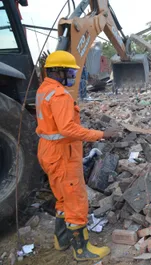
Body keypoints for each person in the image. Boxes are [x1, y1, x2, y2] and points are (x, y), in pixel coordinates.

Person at [35, 51, 118, 261]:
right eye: (71, 71)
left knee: (62, 198)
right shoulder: (60, 95)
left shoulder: (43, 90)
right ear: (59, 71)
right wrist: (100, 135)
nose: (73, 75)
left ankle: (61, 239)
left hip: (48, 152)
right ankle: (82, 249)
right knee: (76, 200)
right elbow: (68, 129)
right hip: (63, 154)